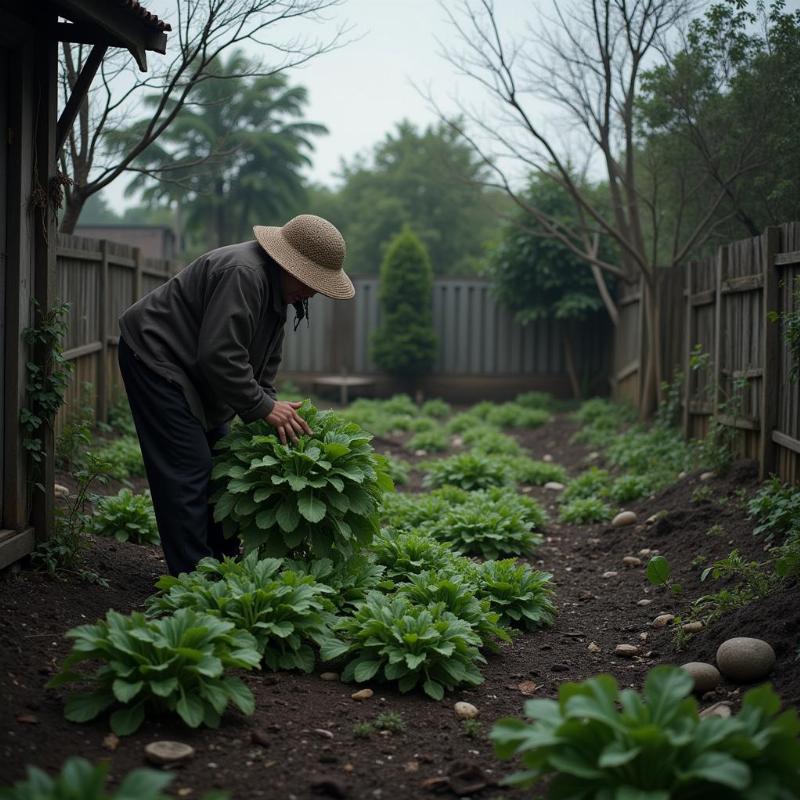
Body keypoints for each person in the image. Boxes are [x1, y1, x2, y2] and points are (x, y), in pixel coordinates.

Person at [117, 214, 354, 576]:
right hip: (156, 356)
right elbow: (220, 355)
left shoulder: (277, 292)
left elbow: (264, 363)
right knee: (189, 471)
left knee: (221, 467)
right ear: (287, 262)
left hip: (193, 372)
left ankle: (225, 567)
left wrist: (269, 408)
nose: (311, 292)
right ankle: (193, 580)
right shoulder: (245, 274)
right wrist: (262, 407)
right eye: (309, 281)